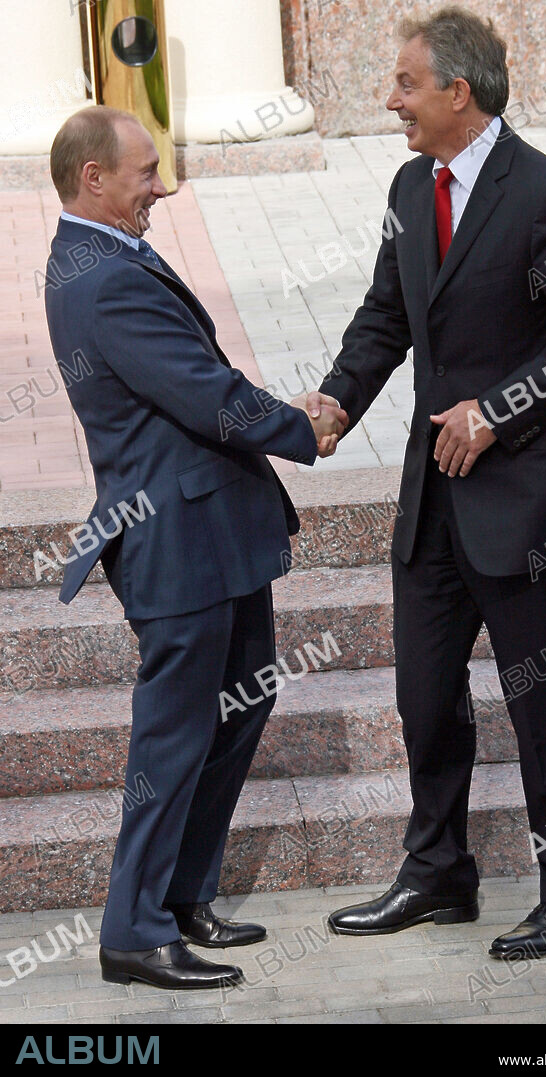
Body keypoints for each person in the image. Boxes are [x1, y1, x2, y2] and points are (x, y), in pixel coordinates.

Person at [306, 5, 546, 959]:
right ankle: (441, 871)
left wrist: (498, 410)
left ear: (459, 90)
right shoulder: (413, 186)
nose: (390, 99)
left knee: (544, 696)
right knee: (424, 695)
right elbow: (384, 316)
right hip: (432, 501)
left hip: (526, 499)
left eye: (407, 83)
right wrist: (334, 403)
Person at [44, 105, 347, 990]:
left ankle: (181, 894)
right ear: (92, 178)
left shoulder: (104, 254)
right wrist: (303, 427)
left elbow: (194, 377)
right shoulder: (103, 279)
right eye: (145, 173)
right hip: (175, 542)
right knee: (171, 740)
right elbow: (203, 391)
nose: (163, 188)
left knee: (241, 703)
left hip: (213, 530)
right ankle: (133, 932)